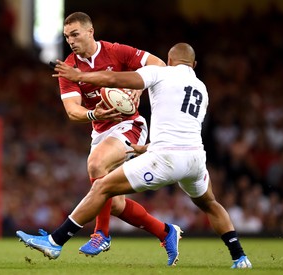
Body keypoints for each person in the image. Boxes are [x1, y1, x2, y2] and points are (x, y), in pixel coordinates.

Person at [16, 42, 252, 269]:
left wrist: (79, 76)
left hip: (165, 159)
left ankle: (57, 241)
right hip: (195, 160)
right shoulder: (201, 88)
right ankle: (239, 256)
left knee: (101, 187)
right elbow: (181, 131)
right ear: (194, 64)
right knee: (209, 203)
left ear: (168, 61)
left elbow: (112, 78)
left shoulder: (161, 73)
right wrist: (147, 147)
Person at [46, 11, 183, 262]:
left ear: (90, 31)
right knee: (114, 203)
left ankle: (101, 234)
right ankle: (165, 232)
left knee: (96, 164)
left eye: (75, 34)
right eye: (67, 37)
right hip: (100, 132)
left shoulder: (115, 51)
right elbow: (72, 111)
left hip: (130, 126)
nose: (71, 41)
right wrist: (92, 114)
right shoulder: (70, 66)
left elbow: (160, 66)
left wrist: (139, 86)